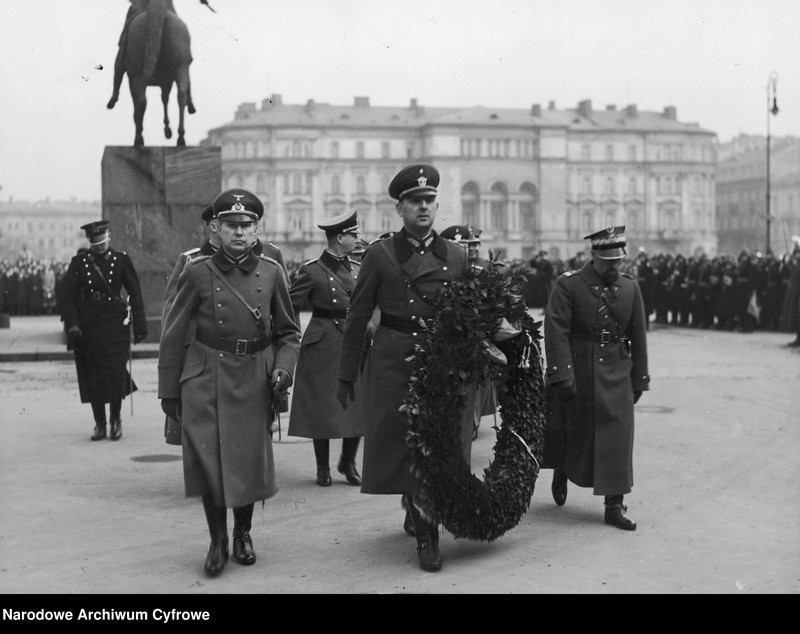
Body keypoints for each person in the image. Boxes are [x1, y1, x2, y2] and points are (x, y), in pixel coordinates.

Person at [335, 164, 473, 572]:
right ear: (400, 207)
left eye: (430, 201)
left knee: (439, 443)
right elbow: (358, 316)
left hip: (441, 361)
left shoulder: (456, 255)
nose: (424, 208)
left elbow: (466, 316)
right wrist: (346, 375)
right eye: (415, 201)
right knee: (405, 443)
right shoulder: (380, 254)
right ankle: (424, 530)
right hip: (394, 358)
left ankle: (425, 522)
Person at [158, 188, 300, 577]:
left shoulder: (271, 271)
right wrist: (169, 391)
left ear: (257, 229)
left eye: (247, 225)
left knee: (247, 459)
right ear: (216, 227)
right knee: (208, 461)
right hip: (205, 373)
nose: (239, 232)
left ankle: (243, 533)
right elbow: (173, 333)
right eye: (231, 225)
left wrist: (283, 369)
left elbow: (289, 332)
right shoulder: (196, 271)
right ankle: (217, 540)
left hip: (253, 373)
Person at [542, 225, 650, 530]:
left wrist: (640, 378)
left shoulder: (630, 287)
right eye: (608, 261)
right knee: (574, 430)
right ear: (594, 256)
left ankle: (614, 505)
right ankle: (561, 467)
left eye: (618, 260)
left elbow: (638, 334)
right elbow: (556, 329)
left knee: (618, 433)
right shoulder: (569, 285)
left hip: (617, 369)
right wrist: (561, 374)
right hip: (580, 367)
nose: (614, 266)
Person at [288, 209, 364, 486]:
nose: (357, 238)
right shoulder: (311, 270)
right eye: (353, 234)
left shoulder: (357, 269)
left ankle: (348, 462)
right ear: (340, 237)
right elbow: (288, 304)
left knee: (356, 403)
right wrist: (291, 333)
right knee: (322, 405)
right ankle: (323, 467)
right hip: (322, 342)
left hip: (352, 340)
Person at [60, 221, 147, 441]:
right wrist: (72, 324)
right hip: (89, 327)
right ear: (89, 241)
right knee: (94, 376)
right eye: (94, 243)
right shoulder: (79, 263)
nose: (99, 246)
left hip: (116, 325)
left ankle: (115, 419)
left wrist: (141, 327)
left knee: (117, 373)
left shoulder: (121, 259)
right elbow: (66, 295)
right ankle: (100, 423)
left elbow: (135, 292)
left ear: (108, 237)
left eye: (102, 242)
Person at [439, 224, 495, 441]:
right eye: (465, 245)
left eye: (473, 245)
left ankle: (472, 421)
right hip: (452, 331)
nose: (470, 250)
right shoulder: (448, 269)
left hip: (477, 331)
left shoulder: (484, 268)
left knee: (477, 380)